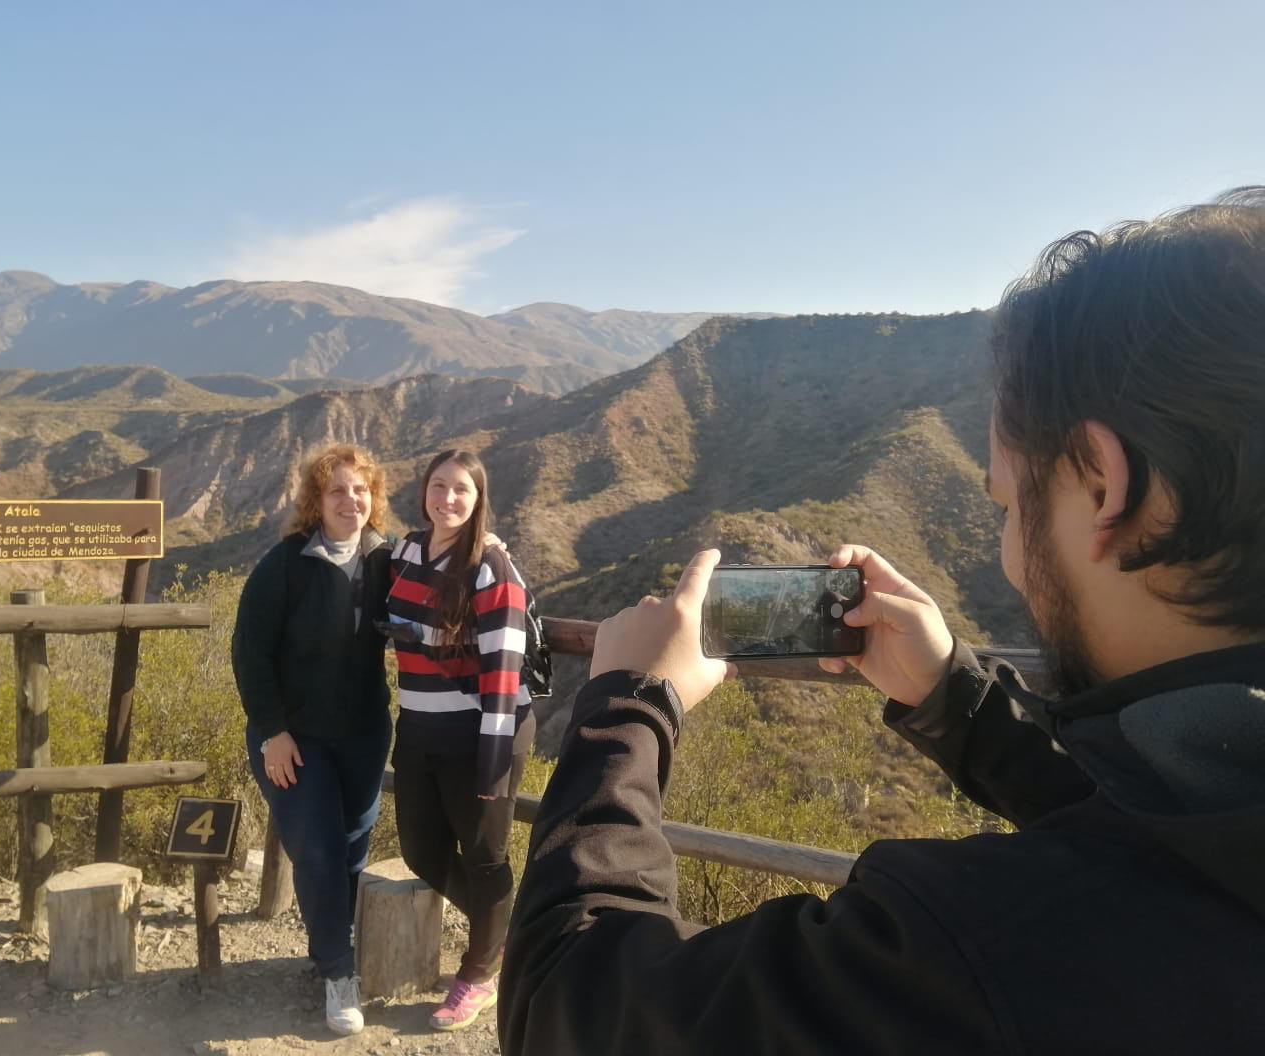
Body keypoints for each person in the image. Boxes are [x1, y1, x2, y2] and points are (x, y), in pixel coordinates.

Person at [498, 188, 1265, 1054]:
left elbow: (570, 1003)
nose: (1010, 555)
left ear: (1103, 483)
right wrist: (957, 700)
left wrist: (627, 704)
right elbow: (1170, 830)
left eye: (1009, 505)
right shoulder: (1216, 826)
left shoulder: (973, 956)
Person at [231, 442, 394, 1036]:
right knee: (318, 850)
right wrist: (272, 731)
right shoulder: (286, 564)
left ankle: (331, 945)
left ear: (374, 498)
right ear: (315, 502)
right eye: (337, 491)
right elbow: (250, 651)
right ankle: (338, 973)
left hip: (363, 733)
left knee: (351, 845)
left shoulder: (387, 559)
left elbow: (448, 572)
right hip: (292, 738)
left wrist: (491, 546)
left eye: (360, 490)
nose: (351, 500)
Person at [386, 448, 534, 1031]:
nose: (448, 498)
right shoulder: (405, 552)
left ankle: (478, 974)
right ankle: (510, 936)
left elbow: (504, 671)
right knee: (420, 850)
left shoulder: (491, 568)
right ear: (424, 489)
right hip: (418, 725)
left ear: (478, 500)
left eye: (461, 490)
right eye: (438, 486)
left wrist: (493, 763)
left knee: (483, 857)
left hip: (481, 730)